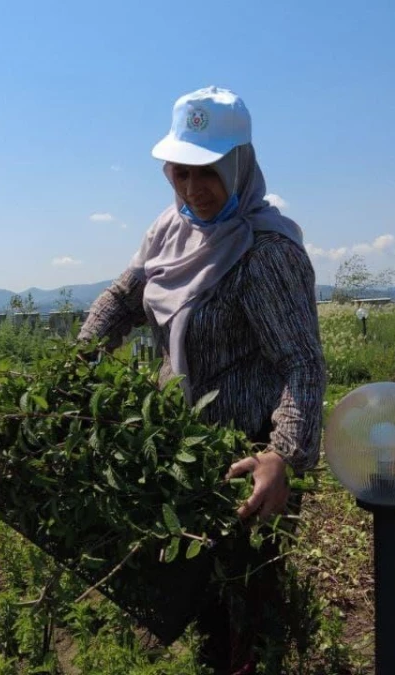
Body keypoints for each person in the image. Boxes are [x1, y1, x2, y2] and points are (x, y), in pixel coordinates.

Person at [77, 86, 326, 673]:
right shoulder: (170, 229)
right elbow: (124, 298)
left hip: (246, 463)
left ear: (240, 163)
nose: (193, 190)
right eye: (179, 172)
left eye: (208, 171)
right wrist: (76, 363)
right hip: (184, 449)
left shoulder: (264, 251)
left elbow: (302, 362)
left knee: (248, 605)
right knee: (199, 597)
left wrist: (281, 457)